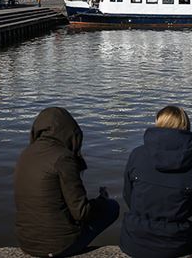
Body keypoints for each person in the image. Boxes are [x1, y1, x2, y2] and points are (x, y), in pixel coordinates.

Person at [14, 107, 119, 257]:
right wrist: (101, 201)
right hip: (57, 246)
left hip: (26, 242)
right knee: (112, 208)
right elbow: (81, 212)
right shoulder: (63, 158)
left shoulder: (26, 154)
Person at [120, 106, 192, 258]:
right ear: (186, 126)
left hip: (134, 241)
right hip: (175, 244)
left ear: (158, 123)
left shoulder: (137, 154)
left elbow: (128, 194)